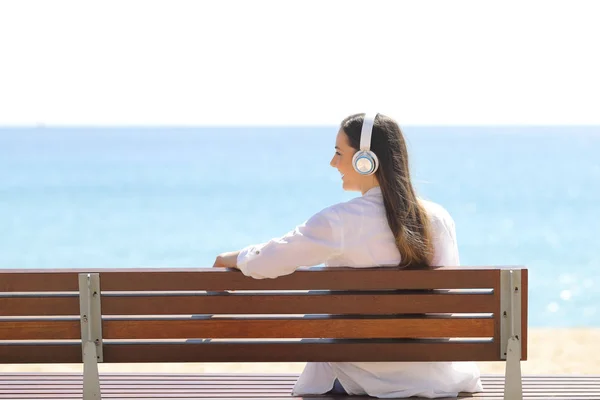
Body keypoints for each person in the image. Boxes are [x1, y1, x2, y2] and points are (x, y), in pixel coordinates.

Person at [212, 113, 483, 398]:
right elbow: (444, 304)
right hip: (436, 378)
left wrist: (235, 257)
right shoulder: (439, 218)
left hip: (366, 379)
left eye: (339, 153)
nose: (333, 163)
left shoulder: (340, 221)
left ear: (365, 160)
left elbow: (268, 262)